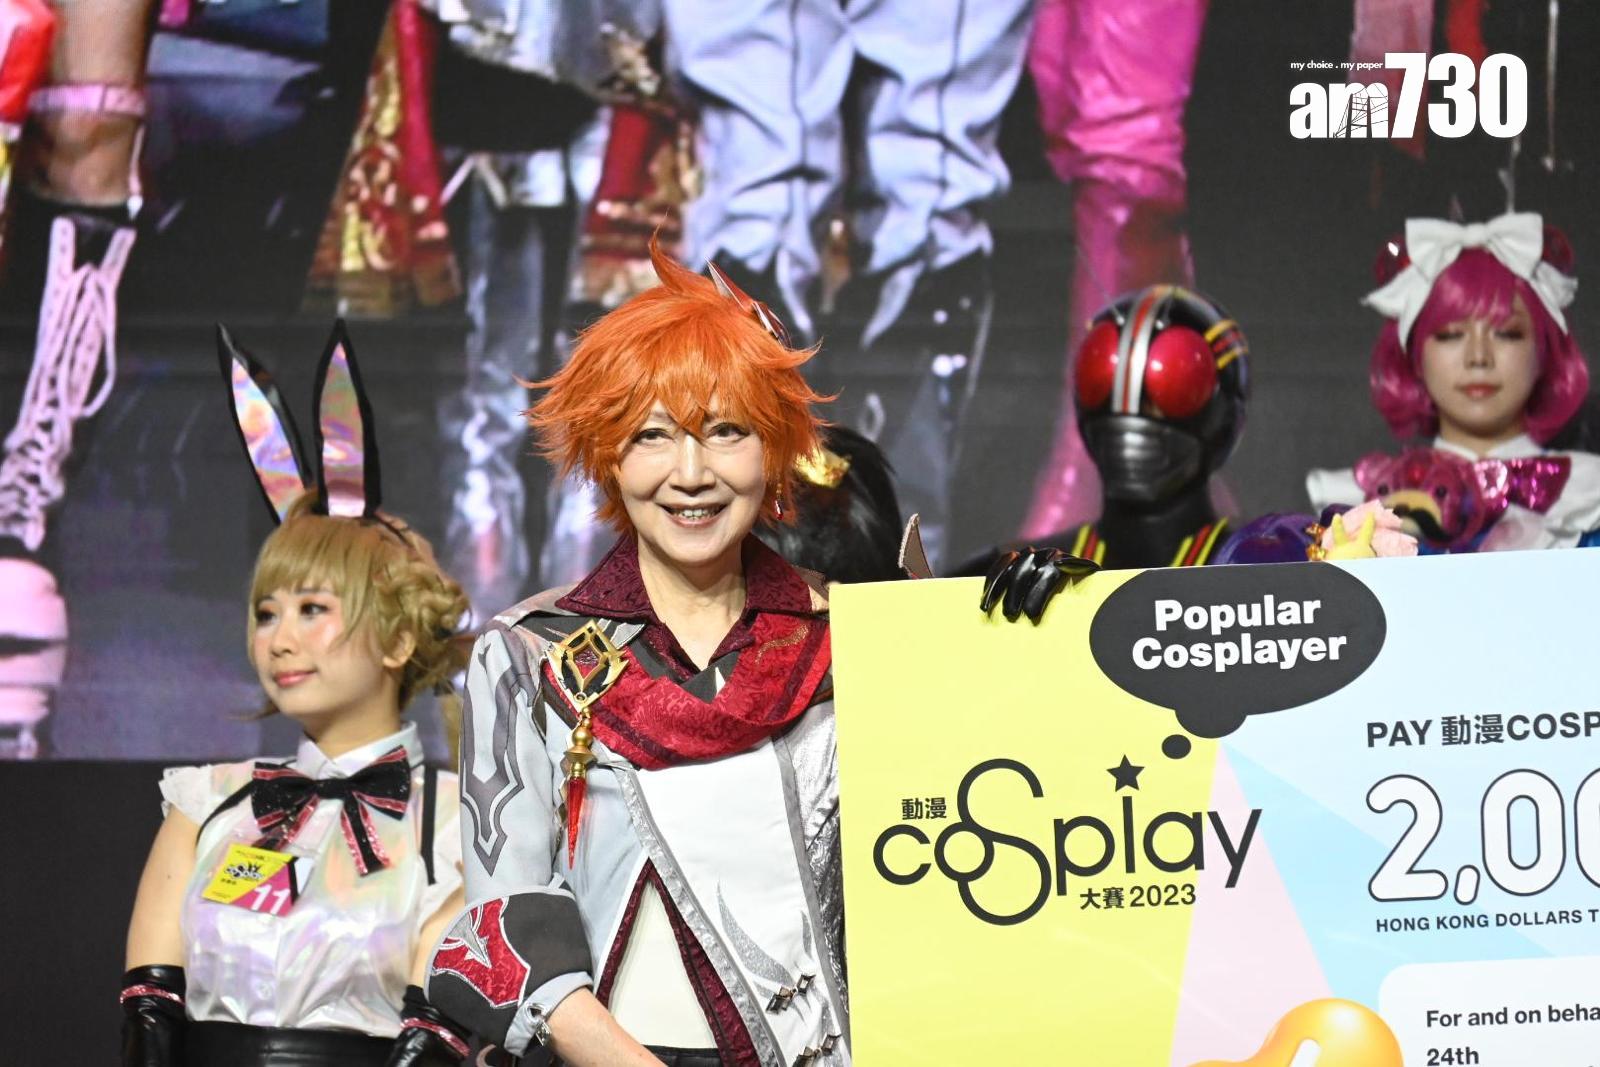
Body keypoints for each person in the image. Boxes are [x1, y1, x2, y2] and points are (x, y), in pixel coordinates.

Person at [121, 327, 475, 1066]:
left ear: (396, 638)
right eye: (266, 612)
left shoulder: (458, 825)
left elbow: (435, 1037)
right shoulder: (205, 805)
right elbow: (150, 1022)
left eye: (313, 609)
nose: (279, 640)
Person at [1305, 213, 1598, 552]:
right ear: (1414, 354)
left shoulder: (1587, 498)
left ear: (1545, 349)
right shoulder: (1357, 509)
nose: (1478, 357)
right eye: (1450, 335)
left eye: (1507, 333)